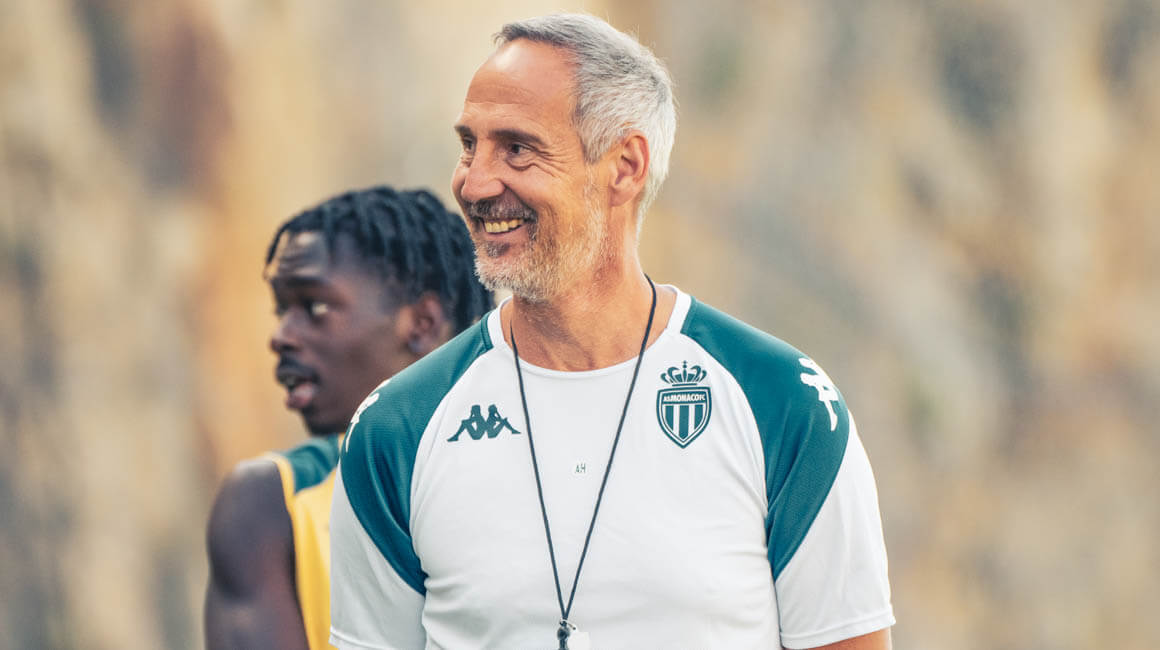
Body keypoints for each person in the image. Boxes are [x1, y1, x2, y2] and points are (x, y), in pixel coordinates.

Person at [329, 13, 895, 650]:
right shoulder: (395, 429)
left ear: (624, 167)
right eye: (469, 145)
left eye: (516, 149)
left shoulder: (785, 404)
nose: (473, 182)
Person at [204, 186, 492, 650]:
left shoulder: (545, 470)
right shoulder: (271, 502)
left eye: (315, 307)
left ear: (422, 324)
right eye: (282, 310)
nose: (280, 336)